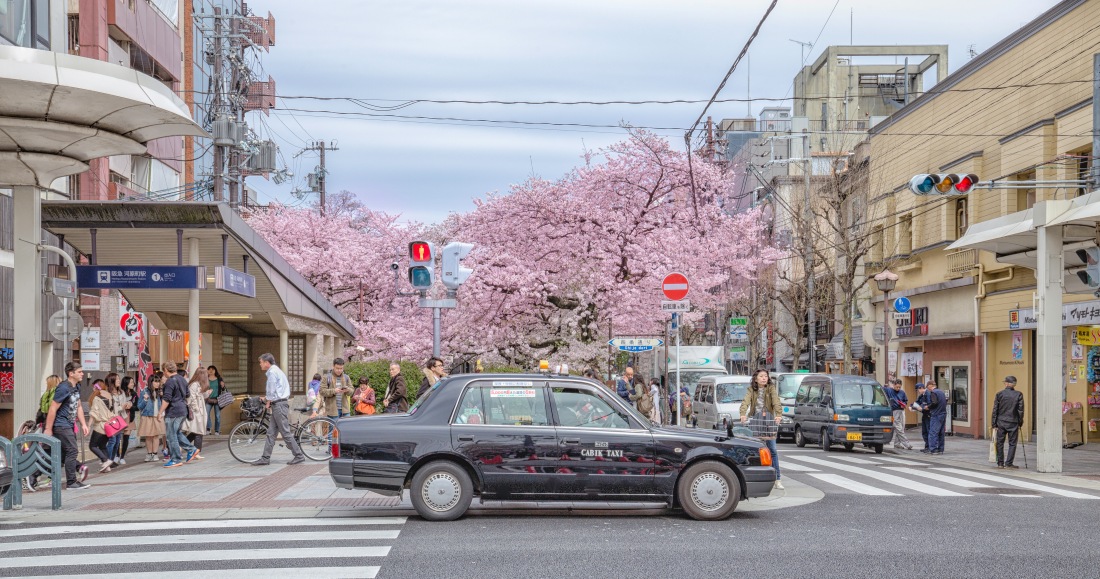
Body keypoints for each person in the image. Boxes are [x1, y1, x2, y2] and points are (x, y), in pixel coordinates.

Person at [44, 362, 91, 490]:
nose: (82, 374)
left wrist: (83, 424)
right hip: (61, 424)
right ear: (71, 373)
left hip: (69, 424)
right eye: (79, 372)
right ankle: (71, 482)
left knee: (63, 453)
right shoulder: (63, 388)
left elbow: (78, 406)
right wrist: (48, 428)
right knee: (72, 450)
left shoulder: (76, 386)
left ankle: (33, 475)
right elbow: (53, 408)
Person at [255, 353, 307, 466]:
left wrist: (267, 399)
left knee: (285, 432)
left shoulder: (272, 372)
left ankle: (299, 455)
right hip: (278, 404)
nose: (260, 364)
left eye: (261, 362)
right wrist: (269, 401)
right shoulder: (276, 371)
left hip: (279, 405)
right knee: (271, 433)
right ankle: (265, 458)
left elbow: (271, 390)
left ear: (267, 363)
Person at [740, 369, 783, 490]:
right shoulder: (751, 390)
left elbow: (776, 402)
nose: (764, 378)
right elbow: (745, 402)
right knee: (754, 450)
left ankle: (777, 479)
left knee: (772, 450)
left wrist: (778, 415)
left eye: (765, 376)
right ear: (756, 379)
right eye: (761, 376)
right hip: (755, 422)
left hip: (768, 421)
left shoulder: (771, 389)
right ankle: (755, 478)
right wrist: (743, 414)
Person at [159, 360, 197, 468]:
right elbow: (187, 394)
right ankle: (191, 449)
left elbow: (166, 399)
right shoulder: (182, 379)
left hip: (173, 412)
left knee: (171, 436)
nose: (164, 373)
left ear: (166, 370)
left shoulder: (170, 382)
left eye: (164, 371)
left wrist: (160, 412)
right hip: (182, 410)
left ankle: (176, 459)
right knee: (177, 433)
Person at [992, 375, 1025, 469]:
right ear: (1014, 384)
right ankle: (1009, 463)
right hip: (1013, 422)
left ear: (1006, 383)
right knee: (1012, 443)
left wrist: (994, 423)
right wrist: (1020, 422)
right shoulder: (1019, 394)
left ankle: (1000, 463)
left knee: (1000, 442)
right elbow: (1020, 410)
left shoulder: (999, 394)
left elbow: (995, 410)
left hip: (1001, 422)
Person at [87, 381, 116, 473]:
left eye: (93, 387)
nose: (93, 389)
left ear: (96, 387)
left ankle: (105, 460)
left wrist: (88, 425)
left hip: (100, 425)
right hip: (109, 425)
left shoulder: (97, 398)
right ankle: (107, 467)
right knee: (102, 446)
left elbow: (93, 413)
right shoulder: (110, 396)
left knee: (92, 446)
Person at [182, 368, 210, 459]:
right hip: (196, 412)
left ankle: (187, 447)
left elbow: (201, 396)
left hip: (199, 411)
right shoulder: (194, 385)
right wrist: (196, 409)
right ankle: (195, 451)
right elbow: (191, 398)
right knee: (198, 432)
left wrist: (207, 393)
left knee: (197, 431)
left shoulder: (198, 384)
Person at [137, 373, 166, 462]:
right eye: (155, 382)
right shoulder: (144, 392)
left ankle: (155, 453)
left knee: (156, 436)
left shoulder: (160, 392)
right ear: (151, 382)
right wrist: (145, 399)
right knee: (148, 436)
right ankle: (149, 454)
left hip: (157, 416)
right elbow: (139, 406)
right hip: (147, 416)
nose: (157, 384)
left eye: (158, 382)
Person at [887, 379, 913, 451]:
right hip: (894, 410)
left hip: (902, 410)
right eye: (897, 387)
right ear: (894, 385)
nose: (898, 388)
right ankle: (906, 443)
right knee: (899, 428)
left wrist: (904, 404)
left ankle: (897, 443)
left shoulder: (902, 392)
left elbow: (905, 400)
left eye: (899, 387)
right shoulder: (889, 390)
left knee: (902, 427)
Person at [924, 381, 948, 455]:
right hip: (943, 413)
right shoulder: (941, 392)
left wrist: (928, 407)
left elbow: (934, 402)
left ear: (930, 385)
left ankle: (933, 449)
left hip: (936, 414)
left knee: (933, 432)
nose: (927, 389)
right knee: (941, 432)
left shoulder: (933, 393)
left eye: (927, 387)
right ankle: (940, 449)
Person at [205, 365, 225, 435]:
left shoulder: (219, 379)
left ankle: (217, 430)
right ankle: (208, 428)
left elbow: (223, 389)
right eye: (209, 369)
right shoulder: (206, 379)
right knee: (206, 414)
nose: (211, 371)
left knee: (217, 415)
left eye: (213, 369)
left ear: (215, 371)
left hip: (217, 399)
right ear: (207, 371)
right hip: (208, 399)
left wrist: (223, 386)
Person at [911, 383, 931, 451]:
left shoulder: (927, 394)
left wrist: (921, 408)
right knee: (924, 431)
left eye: (918, 390)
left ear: (921, 388)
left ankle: (929, 446)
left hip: (928, 415)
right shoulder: (922, 395)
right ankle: (927, 446)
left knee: (928, 431)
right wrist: (911, 406)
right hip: (925, 414)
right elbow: (917, 402)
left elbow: (928, 404)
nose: (918, 391)